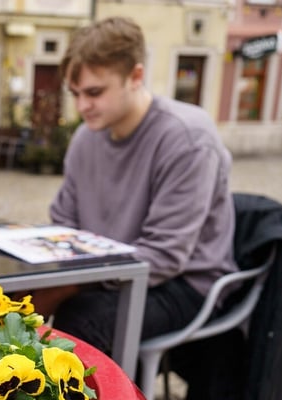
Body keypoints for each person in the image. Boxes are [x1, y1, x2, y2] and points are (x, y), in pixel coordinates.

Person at [40, 17, 238, 354]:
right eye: (75, 94)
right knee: (10, 303)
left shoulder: (187, 137)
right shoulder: (85, 138)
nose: (82, 106)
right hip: (111, 274)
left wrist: (69, 286)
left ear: (135, 76)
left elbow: (164, 256)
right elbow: (62, 224)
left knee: (83, 318)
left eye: (94, 92)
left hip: (185, 284)